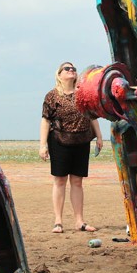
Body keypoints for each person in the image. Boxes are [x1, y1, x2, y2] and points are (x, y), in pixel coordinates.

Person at [39, 62, 104, 233]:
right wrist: (42, 145)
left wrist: (99, 136)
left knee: (77, 181)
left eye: (73, 69)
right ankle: (58, 221)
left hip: (82, 141)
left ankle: (79, 221)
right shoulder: (52, 96)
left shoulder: (83, 94)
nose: (72, 71)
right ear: (59, 74)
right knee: (60, 181)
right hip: (59, 141)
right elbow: (45, 120)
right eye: (67, 69)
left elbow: (92, 116)